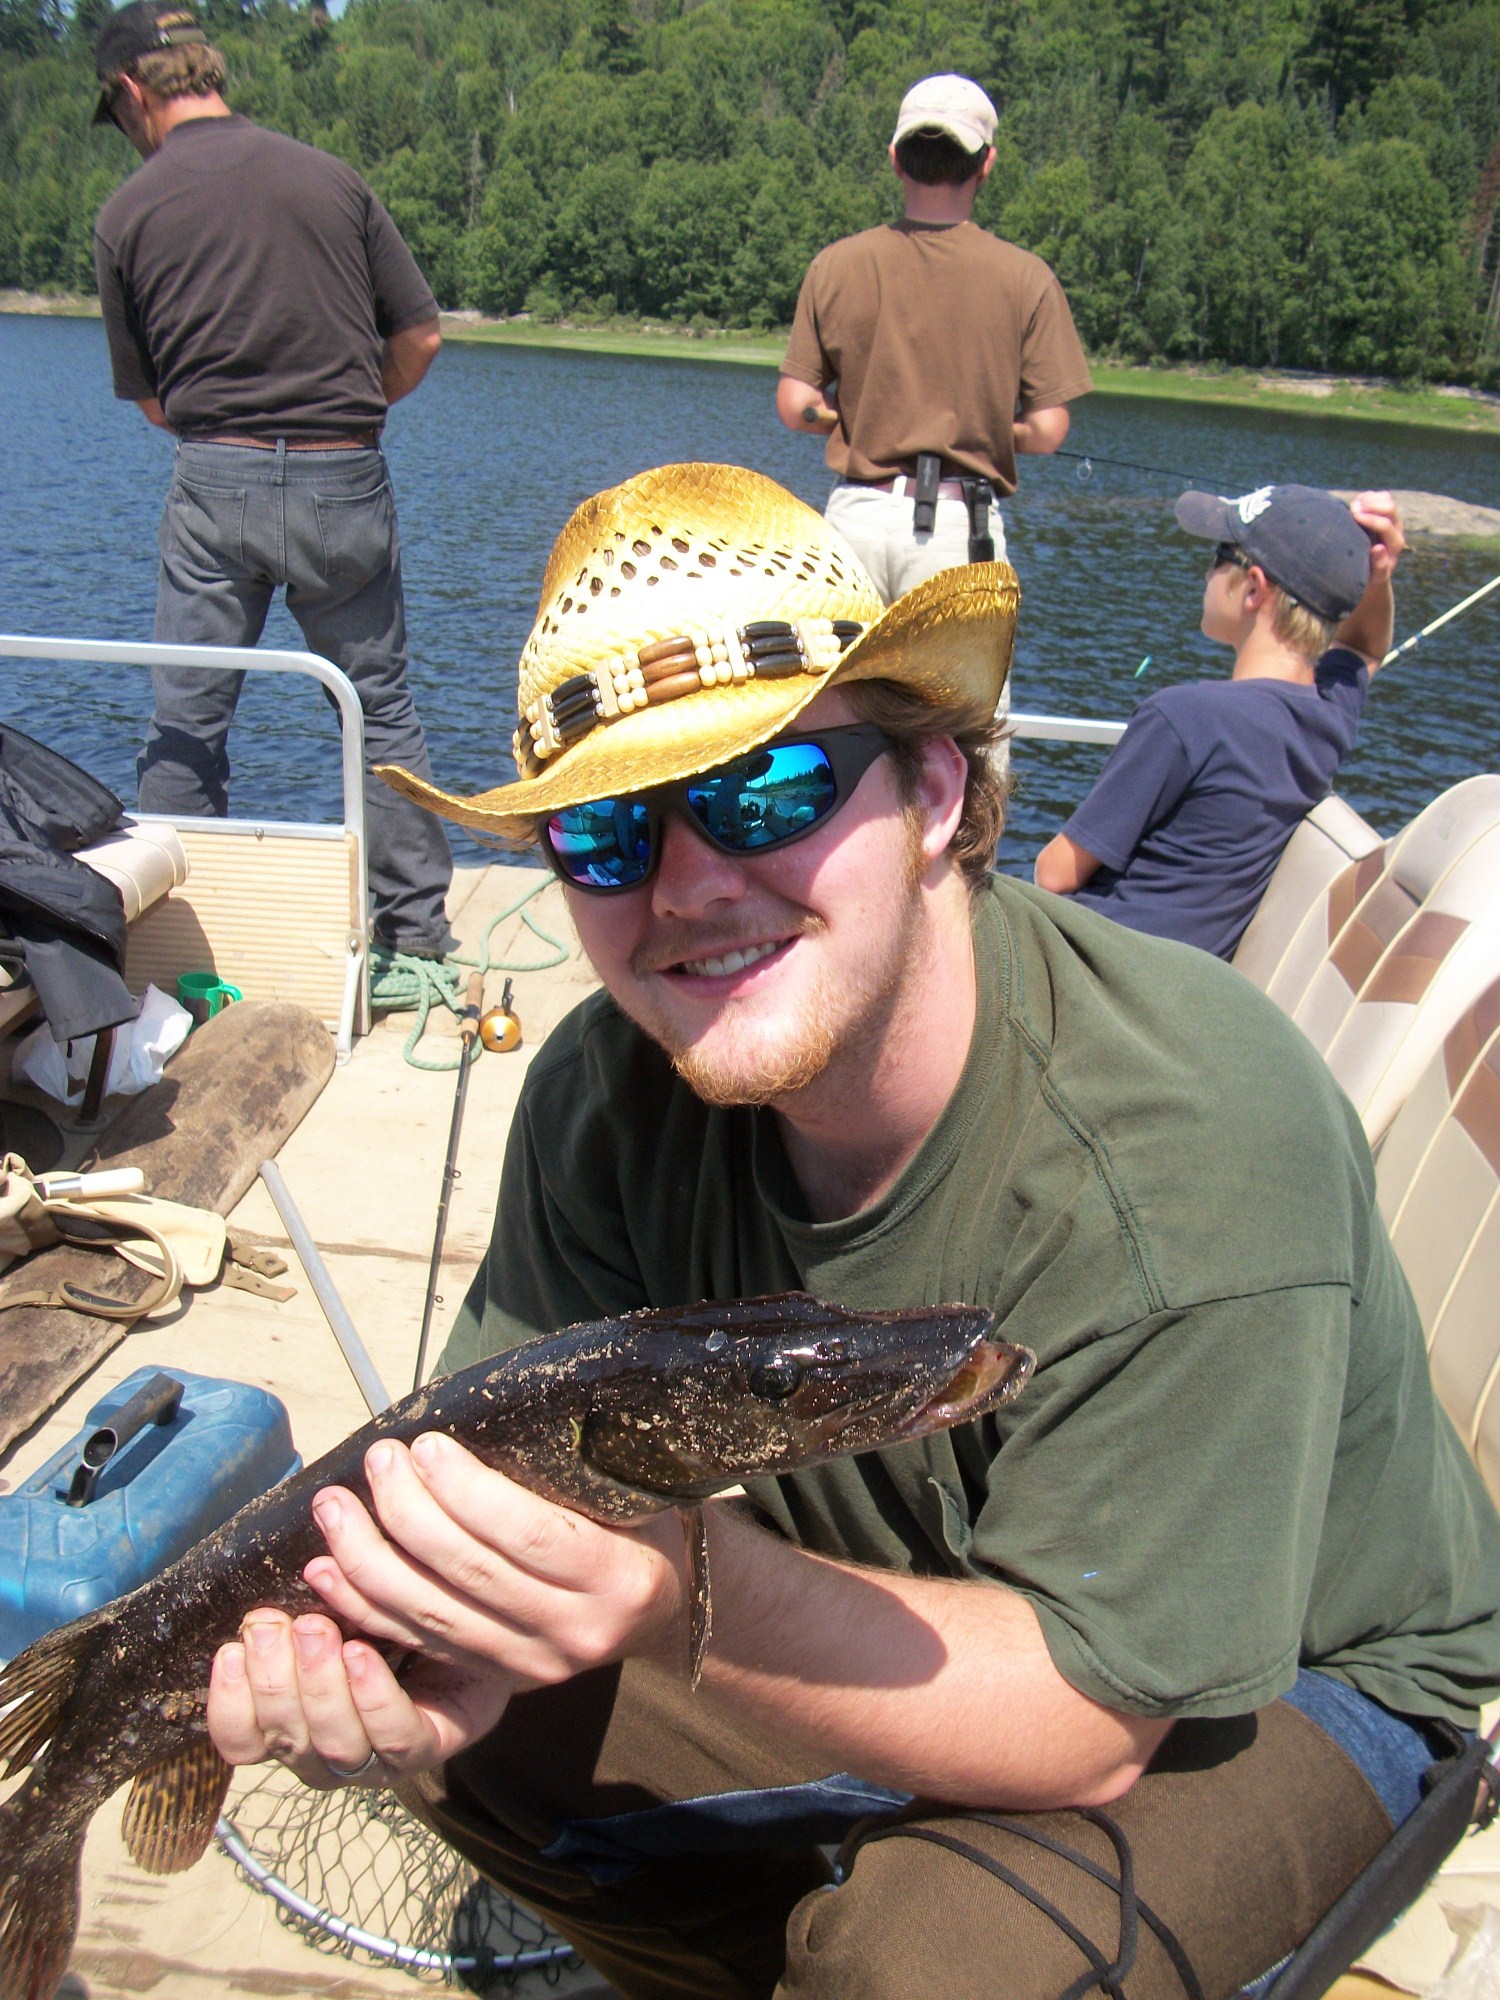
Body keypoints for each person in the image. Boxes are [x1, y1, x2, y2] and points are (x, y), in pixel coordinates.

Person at [206, 464, 1500, 2000]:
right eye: (605, 833)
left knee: (931, 1967)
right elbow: (485, 1492)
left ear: (934, 793)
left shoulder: (1188, 1142)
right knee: (472, 1714)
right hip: (892, 1588)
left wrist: (688, 1593)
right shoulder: (606, 1094)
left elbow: (1096, 1716)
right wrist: (407, 1654)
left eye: (765, 790)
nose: (688, 886)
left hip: (1270, 1679)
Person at [91, 0, 455, 967]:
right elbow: (420, 337)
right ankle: (417, 941)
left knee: (188, 722)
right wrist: (349, 414)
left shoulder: (126, 214)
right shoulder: (330, 178)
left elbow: (155, 404)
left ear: (132, 90)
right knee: (377, 712)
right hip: (346, 476)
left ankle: (173, 948)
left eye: (117, 113)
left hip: (215, 481)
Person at [1034, 484, 1402, 960]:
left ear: (1254, 588)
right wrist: (1379, 577)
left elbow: (1054, 874)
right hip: (1183, 977)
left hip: (1101, 968)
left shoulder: (1184, 717)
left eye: (1219, 557)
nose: (1207, 573)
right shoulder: (1327, 719)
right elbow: (1364, 649)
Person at [776, 73, 1093, 611]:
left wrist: (868, 421)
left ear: (896, 159)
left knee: (842, 671)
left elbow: (796, 406)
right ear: (986, 163)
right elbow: (1046, 431)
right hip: (957, 531)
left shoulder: (836, 264)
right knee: (959, 674)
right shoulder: (1027, 278)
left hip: (853, 526)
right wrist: (977, 429)